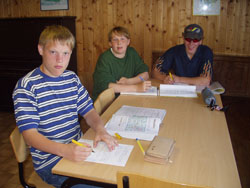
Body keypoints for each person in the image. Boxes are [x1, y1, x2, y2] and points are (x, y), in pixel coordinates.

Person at [12, 25, 117, 188]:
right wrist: (65, 150)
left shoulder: (71, 79)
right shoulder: (27, 86)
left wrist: (100, 129)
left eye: (65, 53)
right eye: (53, 52)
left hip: (79, 148)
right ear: (41, 49)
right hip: (51, 163)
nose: (60, 60)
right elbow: (29, 136)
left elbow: (89, 111)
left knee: (118, 178)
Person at [92, 26, 151, 101]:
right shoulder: (105, 58)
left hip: (126, 97)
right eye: (115, 40)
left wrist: (128, 81)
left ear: (128, 42)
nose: (119, 43)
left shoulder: (132, 53)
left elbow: (145, 75)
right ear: (110, 43)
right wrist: (136, 88)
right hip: (106, 103)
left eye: (122, 39)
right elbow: (108, 86)